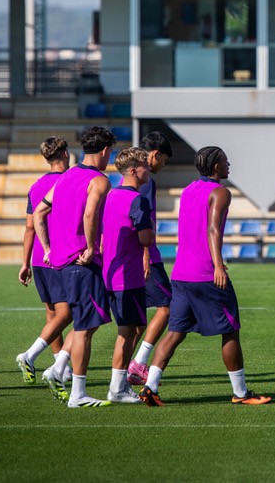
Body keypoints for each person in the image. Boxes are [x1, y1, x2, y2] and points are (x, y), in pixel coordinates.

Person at [138, 146, 271, 407]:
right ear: (215, 167)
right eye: (225, 160)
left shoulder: (188, 191)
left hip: (181, 274)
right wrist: (218, 265)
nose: (229, 163)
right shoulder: (220, 192)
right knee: (230, 330)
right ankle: (241, 393)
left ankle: (150, 387)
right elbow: (213, 229)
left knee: (175, 332)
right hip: (206, 275)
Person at [33, 125, 116, 408]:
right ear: (104, 151)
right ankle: (77, 393)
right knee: (83, 328)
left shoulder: (66, 176)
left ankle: (57, 370)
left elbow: (40, 212)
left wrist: (47, 248)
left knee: (85, 326)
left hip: (63, 264)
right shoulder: (99, 180)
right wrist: (92, 247)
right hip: (83, 263)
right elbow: (91, 213)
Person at [16, 136, 73, 393]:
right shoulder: (70, 181)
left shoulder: (36, 185)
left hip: (40, 258)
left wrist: (25, 262)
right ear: (64, 154)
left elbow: (30, 227)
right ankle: (32, 356)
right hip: (61, 256)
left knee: (53, 314)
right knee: (69, 314)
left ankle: (60, 366)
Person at [100, 147, 155, 404]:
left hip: (112, 272)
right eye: (145, 165)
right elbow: (145, 238)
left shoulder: (110, 196)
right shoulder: (138, 199)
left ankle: (119, 382)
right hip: (127, 275)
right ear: (133, 170)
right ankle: (117, 387)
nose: (149, 169)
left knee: (135, 327)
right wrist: (150, 231)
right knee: (127, 332)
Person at [127, 131, 173, 386]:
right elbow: (140, 219)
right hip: (146, 255)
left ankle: (123, 371)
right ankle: (138, 363)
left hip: (132, 255)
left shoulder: (131, 178)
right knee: (167, 307)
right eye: (163, 159)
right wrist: (145, 254)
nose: (162, 166)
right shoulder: (145, 181)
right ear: (154, 154)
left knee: (136, 320)